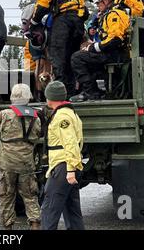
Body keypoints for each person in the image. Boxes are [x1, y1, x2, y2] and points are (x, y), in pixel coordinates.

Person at [0, 83, 41, 230]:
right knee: (30, 196)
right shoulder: (36, 117)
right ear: (29, 97)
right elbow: (37, 136)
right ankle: (35, 225)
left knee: (6, 196)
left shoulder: (4, 114)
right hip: (26, 163)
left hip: (6, 163)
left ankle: (8, 229)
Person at [30, 0, 87, 97]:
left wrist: (34, 21)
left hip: (63, 21)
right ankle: (71, 92)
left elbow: (43, 5)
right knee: (71, 58)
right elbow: (83, 6)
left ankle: (60, 95)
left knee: (57, 56)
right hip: (78, 21)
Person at [70, 0, 130, 102]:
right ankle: (93, 91)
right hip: (112, 53)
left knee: (77, 58)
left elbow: (115, 39)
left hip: (115, 54)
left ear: (106, 0)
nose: (97, 6)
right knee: (86, 57)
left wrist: (93, 47)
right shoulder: (110, 14)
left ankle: (90, 93)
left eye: (98, 3)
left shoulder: (114, 14)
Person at [41, 81, 84, 230]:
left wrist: (70, 170)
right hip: (67, 165)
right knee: (72, 210)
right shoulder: (69, 112)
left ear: (51, 98)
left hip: (63, 166)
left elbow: (70, 142)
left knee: (49, 208)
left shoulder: (62, 116)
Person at [21, 4, 52, 101]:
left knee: (48, 65)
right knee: (40, 64)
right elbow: (25, 22)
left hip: (47, 38)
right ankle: (38, 94)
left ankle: (46, 92)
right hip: (36, 39)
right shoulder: (33, 7)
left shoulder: (50, 8)